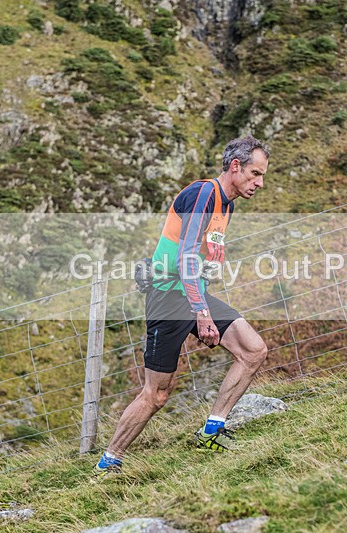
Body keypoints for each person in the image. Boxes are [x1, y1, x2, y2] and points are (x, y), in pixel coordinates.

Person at [95, 136, 270, 476]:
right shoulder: (204, 194)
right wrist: (202, 315)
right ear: (235, 167)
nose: (259, 183)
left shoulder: (227, 206)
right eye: (255, 174)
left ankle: (211, 430)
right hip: (168, 299)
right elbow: (186, 256)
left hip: (192, 294)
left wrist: (202, 299)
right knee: (156, 395)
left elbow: (201, 260)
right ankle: (109, 461)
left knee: (253, 350)